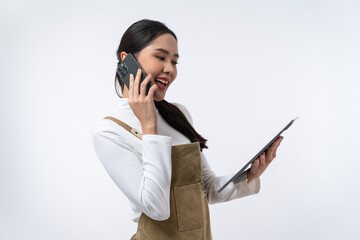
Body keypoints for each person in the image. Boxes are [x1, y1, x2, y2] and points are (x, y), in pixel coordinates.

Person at [91, 19, 283, 240]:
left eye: (174, 62)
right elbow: (157, 209)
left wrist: (250, 175)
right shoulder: (109, 131)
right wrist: (149, 126)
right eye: (161, 57)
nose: (169, 70)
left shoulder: (178, 114)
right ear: (128, 61)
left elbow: (207, 188)